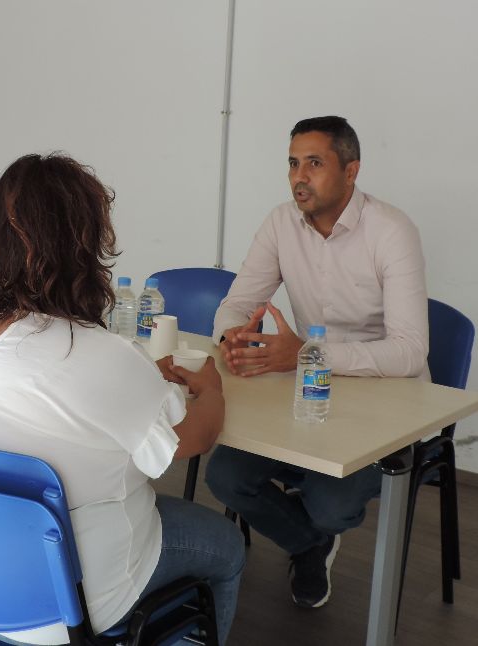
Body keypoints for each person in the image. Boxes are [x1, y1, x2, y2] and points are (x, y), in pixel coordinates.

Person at [0, 153, 246, 644]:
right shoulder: (97, 353)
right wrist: (211, 391)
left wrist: (135, 382)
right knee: (227, 547)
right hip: (71, 599)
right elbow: (192, 439)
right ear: (85, 244)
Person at [205, 115, 429, 609]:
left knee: (329, 506)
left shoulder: (391, 230)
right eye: (292, 163)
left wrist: (307, 353)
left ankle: (316, 531)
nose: (298, 177)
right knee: (224, 476)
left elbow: (411, 351)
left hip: (383, 402)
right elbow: (237, 302)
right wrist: (233, 335)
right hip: (303, 391)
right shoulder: (280, 222)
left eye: (314, 163)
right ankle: (310, 546)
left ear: (351, 172)